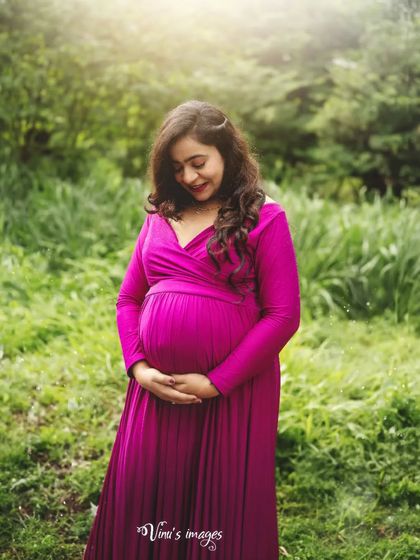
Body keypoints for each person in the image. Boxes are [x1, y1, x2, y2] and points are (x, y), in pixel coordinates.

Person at [83, 100, 301, 559]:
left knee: (218, 510)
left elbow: (283, 315)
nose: (188, 177)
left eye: (198, 162)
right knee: (146, 497)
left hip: (231, 393)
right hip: (155, 390)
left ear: (227, 153)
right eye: (177, 167)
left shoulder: (264, 218)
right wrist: (138, 366)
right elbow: (128, 299)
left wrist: (217, 382)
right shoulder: (160, 217)